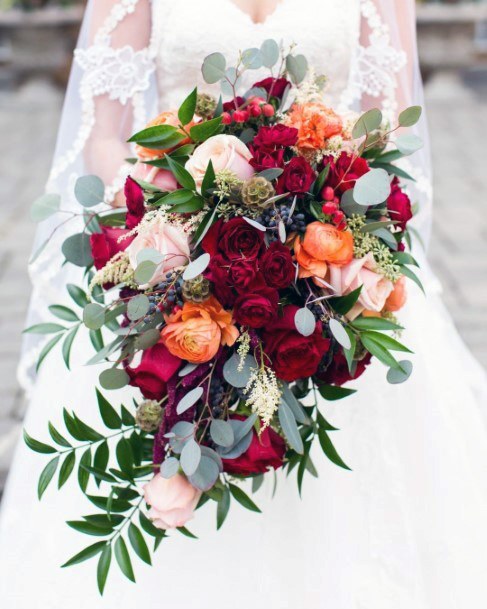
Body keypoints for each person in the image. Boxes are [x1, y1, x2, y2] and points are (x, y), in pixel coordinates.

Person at [1, 1, 487, 607]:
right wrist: (175, 238)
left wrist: (319, 249)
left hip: (329, 268)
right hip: (174, 264)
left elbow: (389, 133)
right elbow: (104, 135)